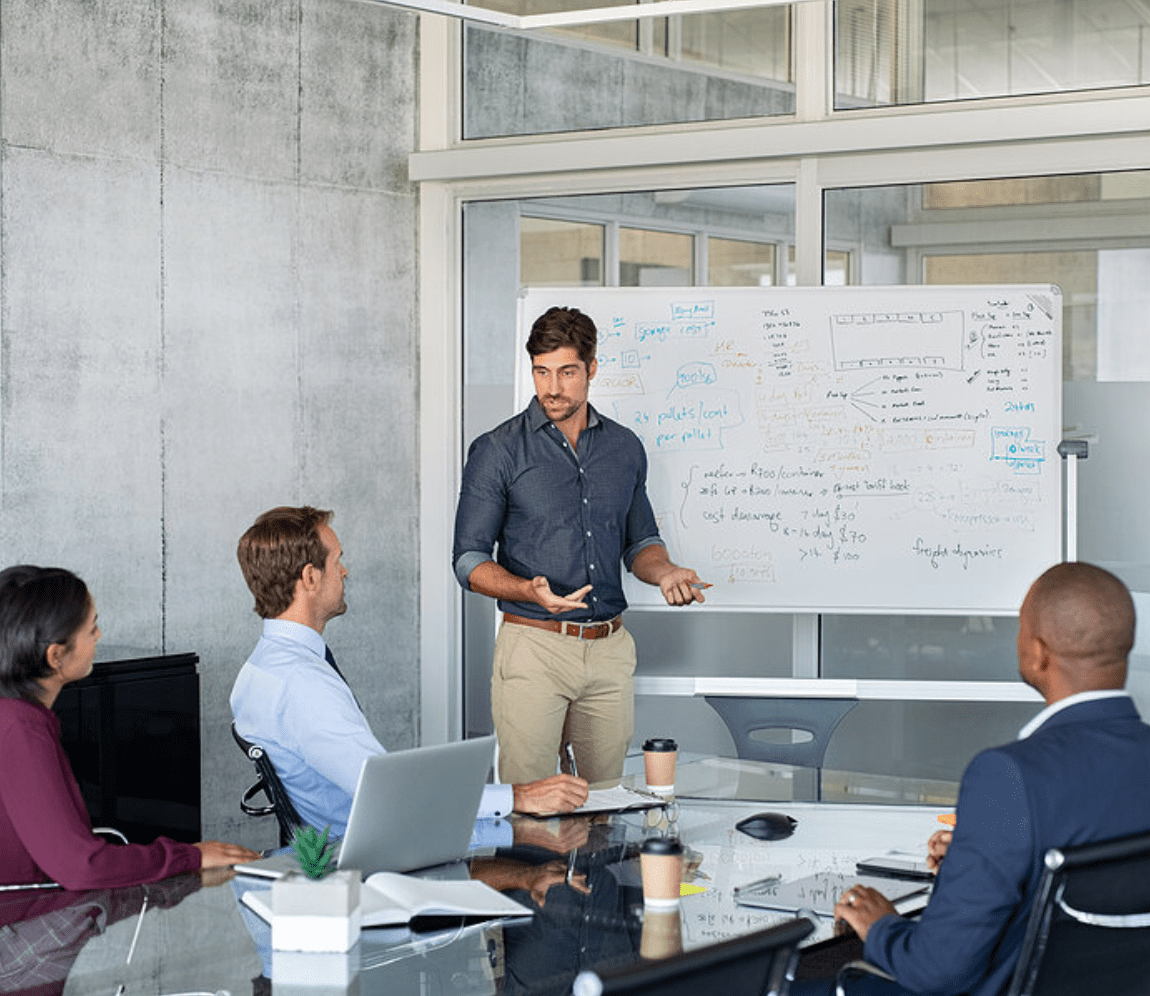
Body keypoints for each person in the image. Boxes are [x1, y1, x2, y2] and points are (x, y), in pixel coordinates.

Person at [823, 562, 1150, 996]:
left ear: (1038, 651)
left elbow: (938, 971)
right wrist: (980, 855)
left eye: (1021, 627)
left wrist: (881, 926)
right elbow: (1108, 882)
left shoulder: (1009, 775)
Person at [452, 306, 706, 786]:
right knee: (531, 805)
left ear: (591, 368)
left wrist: (666, 571)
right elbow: (469, 561)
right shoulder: (497, 450)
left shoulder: (625, 447)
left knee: (605, 802)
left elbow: (641, 544)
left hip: (609, 650)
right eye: (541, 372)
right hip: (533, 646)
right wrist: (529, 590)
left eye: (567, 372)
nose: (551, 388)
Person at [230, 506, 587, 839]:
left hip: (356, 838)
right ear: (310, 577)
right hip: (378, 846)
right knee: (553, 844)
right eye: (338, 560)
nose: (344, 571)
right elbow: (388, 792)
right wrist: (518, 796)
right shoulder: (302, 685)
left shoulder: (258, 670)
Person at [0, 566, 258, 890]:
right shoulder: (21, 733)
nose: (99, 636)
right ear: (55, 656)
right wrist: (189, 856)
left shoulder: (16, 721)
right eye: (92, 629)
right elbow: (82, 867)